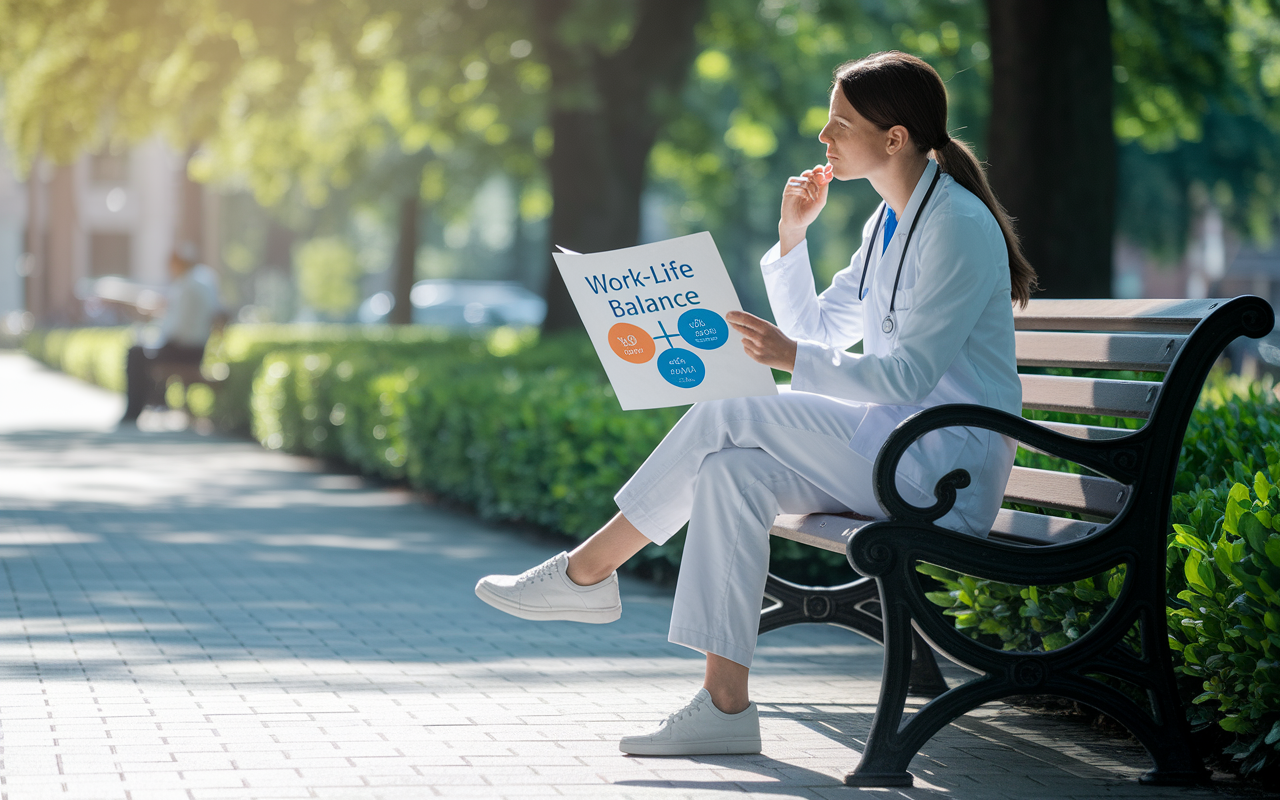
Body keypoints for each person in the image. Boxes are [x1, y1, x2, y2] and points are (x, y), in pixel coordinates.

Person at [475, 51, 1037, 756]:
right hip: (891, 448)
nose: (824, 139)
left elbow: (907, 376)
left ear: (894, 139)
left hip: (941, 467)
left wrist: (789, 359)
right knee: (730, 473)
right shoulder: (887, 222)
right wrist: (792, 236)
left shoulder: (953, 222)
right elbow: (822, 331)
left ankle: (589, 571)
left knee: (728, 409)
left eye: (840, 124)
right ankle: (724, 707)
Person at [120, 242, 221, 425]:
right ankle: (150, 403)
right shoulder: (204, 278)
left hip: (183, 349)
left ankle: (133, 411)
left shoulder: (187, 285)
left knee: (136, 353)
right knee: (141, 352)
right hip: (196, 349)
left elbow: (177, 329)